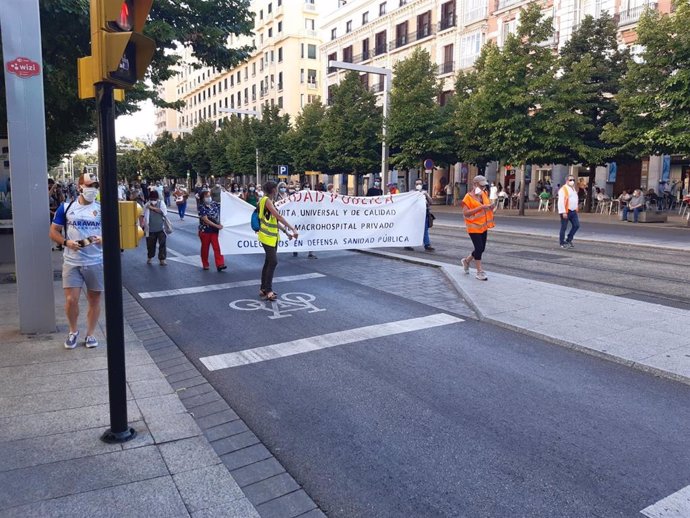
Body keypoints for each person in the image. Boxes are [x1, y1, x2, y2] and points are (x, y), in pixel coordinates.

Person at [48, 172, 103, 349]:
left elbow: (115, 233)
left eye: (95, 186)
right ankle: (73, 331)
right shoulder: (66, 207)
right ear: (80, 187)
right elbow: (53, 232)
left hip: (95, 261)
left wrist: (103, 238)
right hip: (72, 261)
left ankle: (91, 334)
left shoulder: (102, 208)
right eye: (89, 185)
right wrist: (67, 242)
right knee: (71, 300)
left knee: (94, 299)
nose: (93, 189)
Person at [257, 181, 299, 301]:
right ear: (273, 189)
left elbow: (274, 222)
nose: (277, 190)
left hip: (272, 236)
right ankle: (268, 290)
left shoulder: (269, 201)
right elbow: (278, 217)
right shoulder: (266, 201)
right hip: (266, 236)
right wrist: (292, 228)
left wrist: (286, 233)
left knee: (268, 262)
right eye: (276, 188)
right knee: (273, 262)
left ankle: (263, 288)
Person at [460, 175, 495, 281]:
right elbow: (466, 213)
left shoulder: (484, 194)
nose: (484, 188)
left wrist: (491, 207)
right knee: (479, 248)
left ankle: (466, 261)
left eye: (484, 186)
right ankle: (479, 271)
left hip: (483, 226)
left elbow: (487, 208)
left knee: (481, 248)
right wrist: (481, 207)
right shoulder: (468, 197)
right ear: (475, 184)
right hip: (473, 227)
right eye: (481, 185)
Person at [198, 188, 227, 272]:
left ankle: (220, 264)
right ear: (202, 197)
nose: (208, 197)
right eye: (206, 196)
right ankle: (205, 264)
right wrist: (217, 226)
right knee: (205, 248)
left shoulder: (214, 204)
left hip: (215, 231)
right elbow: (205, 219)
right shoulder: (201, 206)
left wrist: (225, 193)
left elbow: (225, 205)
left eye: (209, 196)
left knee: (217, 247)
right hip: (205, 231)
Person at [404, 178, 435, 252]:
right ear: (415, 185)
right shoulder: (412, 193)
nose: (419, 185)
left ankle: (427, 244)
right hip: (414, 215)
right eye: (417, 184)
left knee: (425, 229)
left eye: (420, 184)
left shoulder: (424, 193)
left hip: (424, 214)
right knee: (412, 229)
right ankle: (408, 244)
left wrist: (426, 195)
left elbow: (431, 202)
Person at [142, 190, 168, 265]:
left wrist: (152, 208)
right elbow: (142, 214)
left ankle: (162, 259)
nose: (153, 200)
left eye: (154, 199)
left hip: (161, 228)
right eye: (152, 199)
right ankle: (149, 258)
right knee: (150, 245)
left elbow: (163, 212)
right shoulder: (146, 205)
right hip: (150, 229)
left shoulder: (161, 203)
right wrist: (141, 224)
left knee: (162, 244)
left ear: (157, 198)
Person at [558, 175, 580, 249]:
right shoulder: (563, 189)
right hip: (566, 211)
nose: (572, 181)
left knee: (576, 225)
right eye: (571, 180)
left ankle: (569, 239)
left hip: (573, 211)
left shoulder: (573, 189)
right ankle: (562, 242)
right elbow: (561, 202)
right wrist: (563, 212)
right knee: (564, 227)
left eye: (573, 180)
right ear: (567, 181)